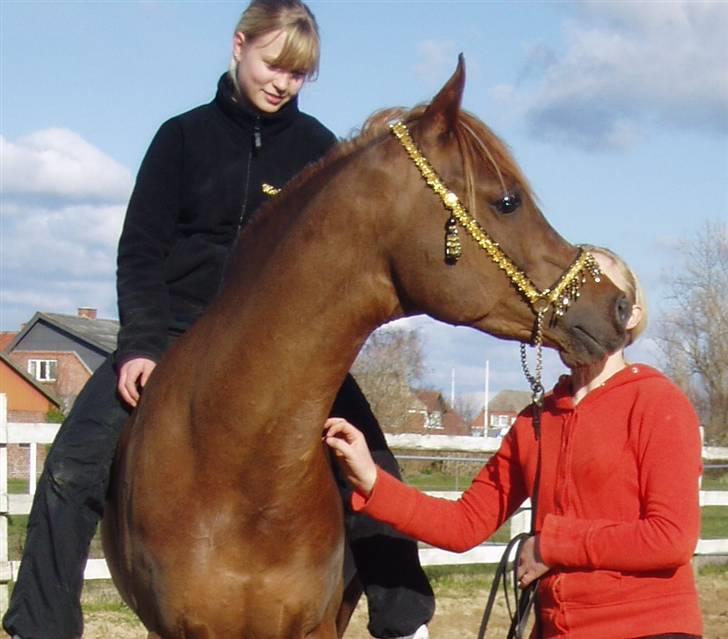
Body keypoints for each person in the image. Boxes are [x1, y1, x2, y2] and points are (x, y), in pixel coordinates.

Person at [2, 2, 433, 638]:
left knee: (372, 461)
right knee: (72, 464)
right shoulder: (181, 138)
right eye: (274, 64)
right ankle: (41, 627)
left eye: (298, 74)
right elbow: (141, 251)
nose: (282, 83)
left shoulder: (319, 150)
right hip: (177, 336)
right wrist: (141, 345)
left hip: (288, 352)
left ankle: (404, 622)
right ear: (239, 45)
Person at [325, 246, 704, 639]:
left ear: (631, 313)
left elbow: (670, 538)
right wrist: (373, 482)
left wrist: (552, 545)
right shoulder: (535, 421)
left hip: (650, 629)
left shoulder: (657, 403)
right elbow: (463, 525)